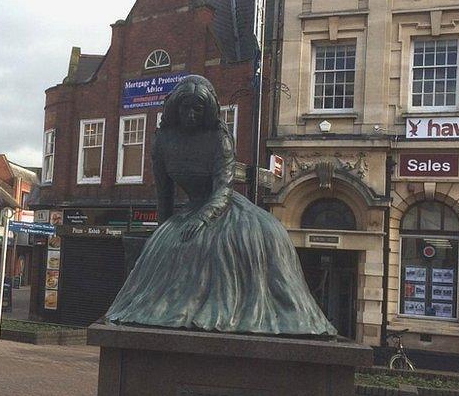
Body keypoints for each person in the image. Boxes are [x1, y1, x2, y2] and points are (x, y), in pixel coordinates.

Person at [104, 75, 337, 336]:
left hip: (221, 207)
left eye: (197, 109)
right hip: (188, 210)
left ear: (207, 111)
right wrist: (161, 233)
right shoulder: (163, 141)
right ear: (175, 108)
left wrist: (201, 220)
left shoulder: (220, 139)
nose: (190, 115)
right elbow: (164, 192)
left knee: (263, 237)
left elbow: (223, 190)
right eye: (185, 108)